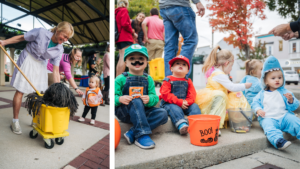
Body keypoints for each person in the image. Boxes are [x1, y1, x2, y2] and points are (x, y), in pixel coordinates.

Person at [0, 21, 74, 134]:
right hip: (28, 59)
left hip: (41, 65)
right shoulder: (40, 32)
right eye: (64, 36)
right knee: (20, 91)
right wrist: (4, 42)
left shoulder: (60, 49)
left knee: (39, 94)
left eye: (67, 38)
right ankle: (15, 121)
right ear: (58, 30)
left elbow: (55, 71)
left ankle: (35, 120)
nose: (65, 39)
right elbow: (21, 38)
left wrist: (59, 89)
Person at [115, 44, 168, 149]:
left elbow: (155, 97)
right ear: (126, 63)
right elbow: (113, 97)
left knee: (163, 113)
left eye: (140, 58)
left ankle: (133, 132)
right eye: (132, 58)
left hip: (143, 112)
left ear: (146, 63)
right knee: (136, 100)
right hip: (125, 112)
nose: (137, 60)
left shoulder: (149, 79)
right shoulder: (120, 78)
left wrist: (149, 99)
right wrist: (120, 99)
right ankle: (141, 136)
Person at [195, 46, 252, 136]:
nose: (231, 69)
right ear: (226, 63)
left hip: (217, 97)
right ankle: (212, 125)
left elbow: (228, 87)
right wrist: (245, 85)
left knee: (229, 95)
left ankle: (216, 123)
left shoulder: (218, 73)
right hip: (214, 98)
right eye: (231, 66)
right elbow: (232, 86)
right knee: (222, 96)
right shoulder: (219, 74)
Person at [252, 56, 300, 150]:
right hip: (269, 117)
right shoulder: (262, 94)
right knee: (268, 127)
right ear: (265, 81)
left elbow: (294, 105)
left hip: (284, 117)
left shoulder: (285, 92)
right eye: (273, 78)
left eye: (279, 77)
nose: (277, 80)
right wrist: (258, 109)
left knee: (295, 121)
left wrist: (291, 100)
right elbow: (255, 103)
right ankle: (278, 141)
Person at [159, 0, 205, 77]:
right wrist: (197, 2)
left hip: (164, 7)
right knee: (190, 41)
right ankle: (179, 76)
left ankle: (169, 79)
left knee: (170, 45)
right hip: (180, 6)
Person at [159, 55, 201, 135]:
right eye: (177, 63)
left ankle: (196, 123)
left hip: (185, 103)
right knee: (174, 108)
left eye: (184, 64)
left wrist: (187, 102)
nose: (181, 65)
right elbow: (165, 94)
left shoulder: (188, 81)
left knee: (195, 106)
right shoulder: (168, 80)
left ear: (188, 70)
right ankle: (181, 124)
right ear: (171, 68)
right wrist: (179, 102)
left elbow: (192, 94)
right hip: (170, 103)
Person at [115, 0, 136, 76]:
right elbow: (125, 24)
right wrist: (132, 31)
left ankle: (117, 78)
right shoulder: (124, 10)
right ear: (126, 3)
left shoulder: (116, 12)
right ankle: (120, 79)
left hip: (119, 38)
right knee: (124, 58)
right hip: (125, 37)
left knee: (121, 58)